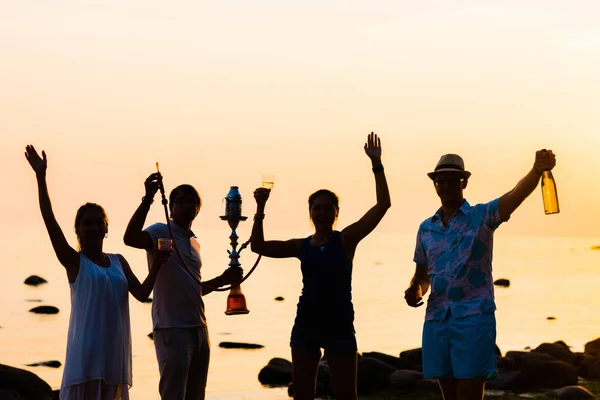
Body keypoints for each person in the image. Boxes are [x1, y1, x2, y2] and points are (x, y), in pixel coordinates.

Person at [404, 150, 557, 400]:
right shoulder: (426, 228)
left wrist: (536, 171)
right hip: (437, 318)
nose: (446, 185)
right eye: (441, 180)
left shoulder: (482, 216)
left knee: (470, 394)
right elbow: (422, 276)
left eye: (453, 179)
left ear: (464, 182)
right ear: (435, 184)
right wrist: (415, 290)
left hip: (474, 317)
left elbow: (514, 196)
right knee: (449, 395)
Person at [250, 132, 391, 400]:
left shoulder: (347, 239)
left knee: (347, 395)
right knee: (303, 394)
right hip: (307, 324)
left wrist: (377, 164)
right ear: (310, 212)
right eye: (318, 208)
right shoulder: (300, 246)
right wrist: (260, 207)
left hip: (339, 324)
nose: (323, 212)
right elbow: (258, 246)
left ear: (336, 213)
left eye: (329, 208)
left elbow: (383, 205)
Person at [24, 145, 171, 400]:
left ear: (106, 228)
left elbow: (142, 293)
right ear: (77, 229)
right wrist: (41, 176)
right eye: (86, 223)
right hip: (85, 360)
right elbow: (49, 218)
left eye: (97, 223)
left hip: (114, 358)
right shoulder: (75, 262)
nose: (92, 227)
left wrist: (157, 264)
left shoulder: (118, 261)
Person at [123, 174, 242, 400]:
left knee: (197, 395)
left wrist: (222, 280)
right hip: (171, 328)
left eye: (193, 202)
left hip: (200, 329)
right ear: (171, 206)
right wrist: (148, 198)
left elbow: (192, 287)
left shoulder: (194, 242)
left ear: (198, 210)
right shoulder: (160, 232)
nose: (188, 206)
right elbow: (130, 238)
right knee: (173, 395)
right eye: (182, 201)